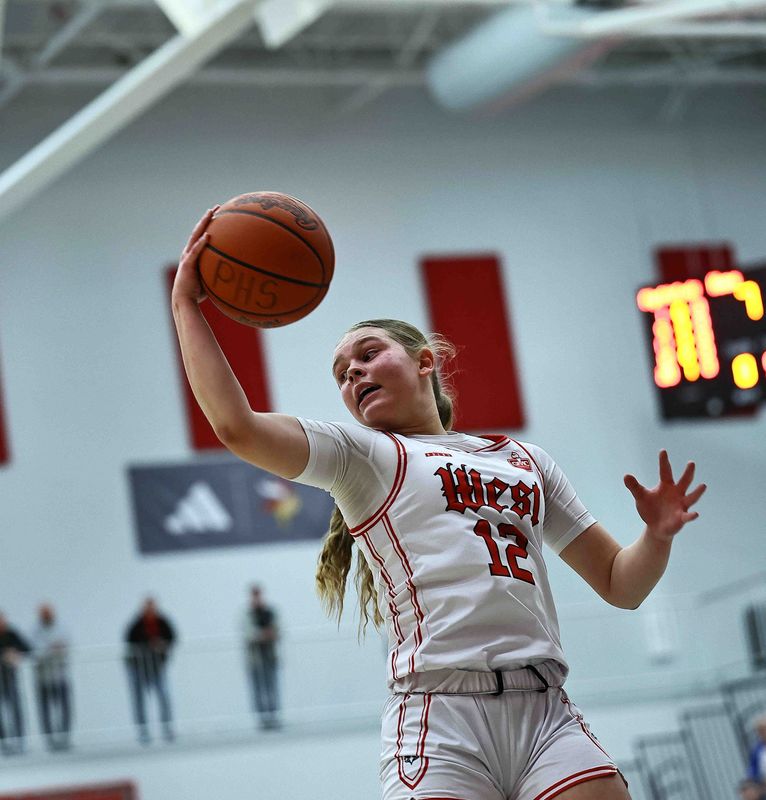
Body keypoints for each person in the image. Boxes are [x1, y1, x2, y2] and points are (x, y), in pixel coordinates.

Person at [172, 208, 707, 800]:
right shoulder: (365, 457)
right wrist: (186, 308)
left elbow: (619, 584)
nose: (353, 372)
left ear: (424, 360)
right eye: (341, 374)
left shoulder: (523, 459)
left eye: (369, 354)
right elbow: (236, 426)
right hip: (440, 715)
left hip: (547, 712)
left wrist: (656, 538)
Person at [124, 597, 176, 744]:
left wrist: (161, 646)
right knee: (139, 699)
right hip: (139, 668)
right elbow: (129, 640)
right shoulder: (137, 624)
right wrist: (148, 644)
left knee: (164, 695)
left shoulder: (162, 621)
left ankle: (167, 728)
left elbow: (172, 637)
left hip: (157, 667)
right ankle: (143, 731)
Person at [31, 603, 72, 751]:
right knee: (45, 710)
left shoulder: (61, 628)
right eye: (44, 613)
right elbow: (36, 651)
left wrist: (56, 649)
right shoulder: (35, 631)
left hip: (59, 676)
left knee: (64, 707)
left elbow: (67, 645)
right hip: (43, 678)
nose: (47, 616)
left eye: (49, 613)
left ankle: (65, 738)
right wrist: (50, 649)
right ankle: (49, 741)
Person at [243, 585, 281, 729]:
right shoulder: (247, 614)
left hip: (270, 657)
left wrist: (270, 634)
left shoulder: (270, 612)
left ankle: (274, 716)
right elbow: (247, 633)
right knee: (258, 689)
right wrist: (261, 635)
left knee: (272, 687)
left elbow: (278, 629)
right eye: (254, 595)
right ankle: (262, 720)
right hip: (255, 659)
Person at [0, 611, 31, 755]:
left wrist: (15, 653)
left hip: (10, 680)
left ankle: (20, 741)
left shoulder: (12, 634)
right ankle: (4, 743)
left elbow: (28, 648)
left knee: (15, 710)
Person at [748, 714, 766, 786]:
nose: (762, 733)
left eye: (763, 730)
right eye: (759, 731)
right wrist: (751, 777)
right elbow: (753, 767)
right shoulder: (756, 749)